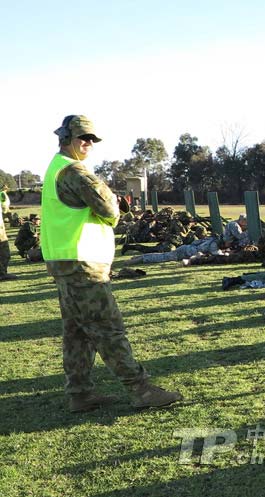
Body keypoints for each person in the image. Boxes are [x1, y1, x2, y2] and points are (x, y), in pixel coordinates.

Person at [42, 115, 182, 412]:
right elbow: (109, 209)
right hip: (83, 264)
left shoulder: (56, 169)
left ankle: (79, 394)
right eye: (83, 137)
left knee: (77, 332)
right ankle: (141, 390)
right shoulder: (75, 172)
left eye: (92, 139)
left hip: (65, 262)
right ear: (66, 137)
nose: (88, 143)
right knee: (108, 328)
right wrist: (116, 206)